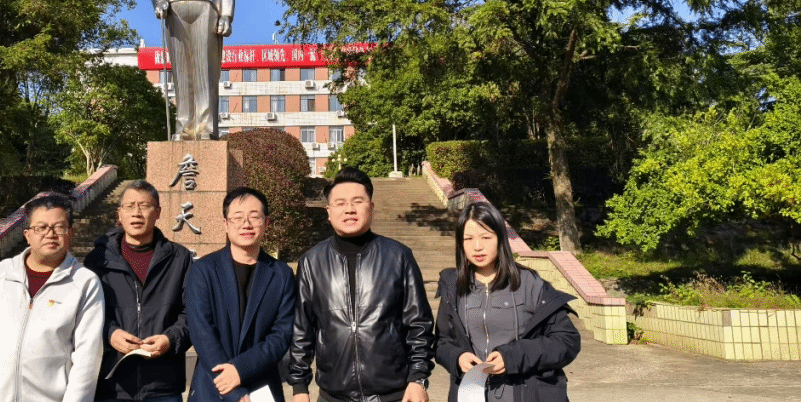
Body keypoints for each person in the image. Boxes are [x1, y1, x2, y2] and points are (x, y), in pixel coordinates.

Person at [286, 167, 434, 402]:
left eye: (357, 201)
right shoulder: (311, 262)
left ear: (371, 207)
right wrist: (299, 387)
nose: (349, 209)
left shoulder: (398, 257)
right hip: (333, 396)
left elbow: (419, 324)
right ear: (329, 211)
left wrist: (418, 378)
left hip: (394, 394)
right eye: (340, 203)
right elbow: (301, 331)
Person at [0, 194, 104, 402]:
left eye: (59, 227)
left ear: (70, 233)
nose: (50, 234)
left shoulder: (84, 283)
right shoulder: (0, 275)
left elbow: (87, 359)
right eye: (41, 228)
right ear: (27, 235)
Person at [434, 201, 581, 402]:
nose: (477, 246)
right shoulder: (452, 287)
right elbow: (442, 342)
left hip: (527, 394)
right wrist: (457, 357)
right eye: (468, 239)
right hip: (471, 394)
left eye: (486, 237)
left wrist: (513, 357)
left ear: (500, 239)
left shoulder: (530, 284)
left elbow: (566, 340)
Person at [84, 180, 194, 402]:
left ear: (158, 212)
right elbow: (85, 313)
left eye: (144, 206)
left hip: (163, 385)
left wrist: (170, 339)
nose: (136, 213)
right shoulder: (98, 260)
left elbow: (193, 313)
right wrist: (110, 334)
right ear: (119, 213)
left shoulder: (179, 259)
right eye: (130, 206)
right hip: (112, 384)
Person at [185, 187, 296, 402]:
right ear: (225, 224)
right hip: (213, 387)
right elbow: (201, 332)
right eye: (237, 217)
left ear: (266, 223)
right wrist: (232, 389)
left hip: (262, 387)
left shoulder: (282, 274)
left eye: (254, 217)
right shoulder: (204, 270)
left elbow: (281, 335)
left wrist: (240, 369)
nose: (246, 224)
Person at [151, 0, 235, 140]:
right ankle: (184, 126)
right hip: (175, 11)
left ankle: (206, 127)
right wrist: (160, 1)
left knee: (205, 70)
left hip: (207, 10)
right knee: (181, 73)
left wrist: (226, 15)